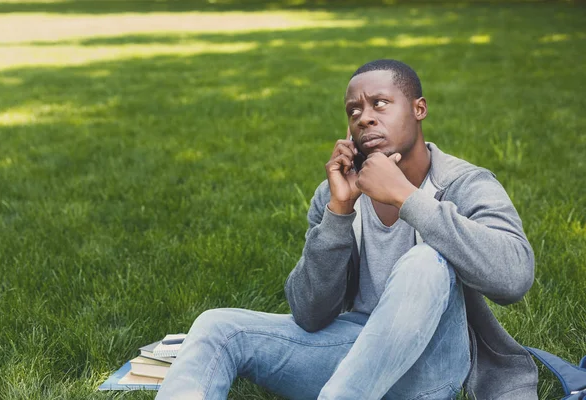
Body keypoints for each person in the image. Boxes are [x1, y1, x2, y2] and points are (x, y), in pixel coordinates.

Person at [156, 59, 539, 400]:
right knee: (217, 325)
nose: (364, 117)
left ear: (419, 109)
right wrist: (339, 211)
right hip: (356, 352)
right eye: (353, 110)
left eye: (380, 104)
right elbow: (309, 314)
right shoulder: (335, 194)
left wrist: (407, 198)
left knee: (426, 260)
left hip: (433, 368)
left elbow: (514, 276)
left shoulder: (464, 183)